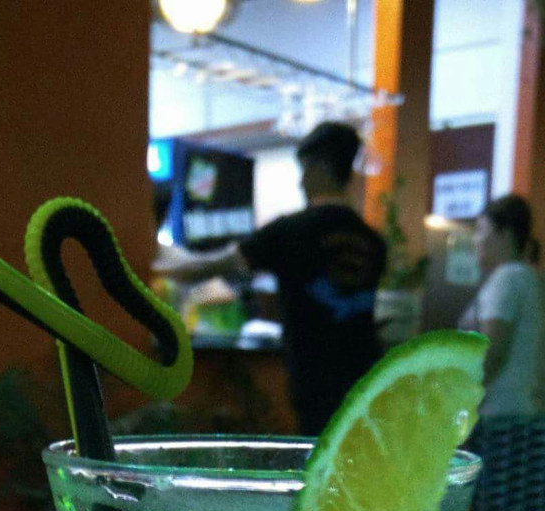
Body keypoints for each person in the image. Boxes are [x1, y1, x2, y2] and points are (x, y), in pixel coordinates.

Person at [155, 123, 387, 436]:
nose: (301, 182)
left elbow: (206, 268)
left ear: (318, 167)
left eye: (304, 170)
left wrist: (149, 261)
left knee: (319, 454)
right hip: (368, 376)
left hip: (314, 379)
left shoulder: (291, 231)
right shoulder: (374, 241)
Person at [458, 195, 541, 420]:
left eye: (481, 230)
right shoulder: (522, 276)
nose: (475, 239)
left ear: (505, 234)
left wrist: (458, 398)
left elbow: (492, 352)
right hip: (511, 411)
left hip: (495, 414)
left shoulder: (507, 278)